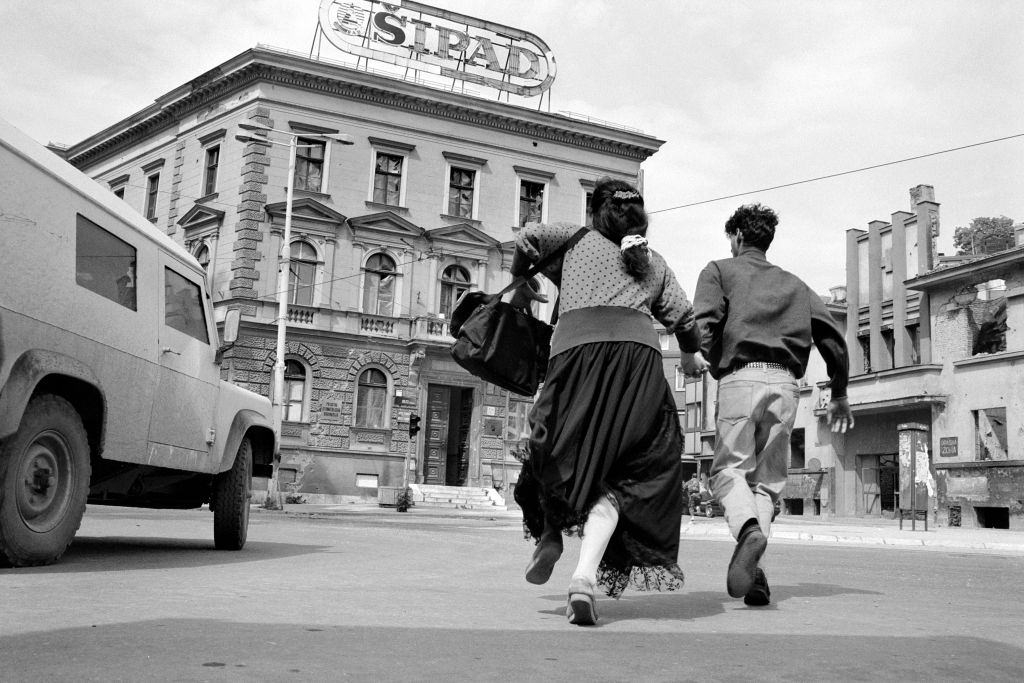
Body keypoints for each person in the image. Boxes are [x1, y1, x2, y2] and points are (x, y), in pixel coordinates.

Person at [510, 177, 710, 627]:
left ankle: (549, 532)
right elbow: (684, 317)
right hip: (638, 369)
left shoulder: (575, 240)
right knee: (629, 472)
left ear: (595, 212)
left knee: (554, 449)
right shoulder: (653, 263)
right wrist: (693, 354)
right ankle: (583, 578)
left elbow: (526, 238)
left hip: (575, 359)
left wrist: (521, 283)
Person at [693, 203, 854, 607]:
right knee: (765, 482)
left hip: (739, 379)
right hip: (786, 386)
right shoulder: (797, 285)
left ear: (737, 237)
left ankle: (748, 529)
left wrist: (697, 352)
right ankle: (756, 571)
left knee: (729, 471)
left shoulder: (719, 270)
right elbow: (833, 338)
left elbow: (705, 321)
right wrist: (839, 394)